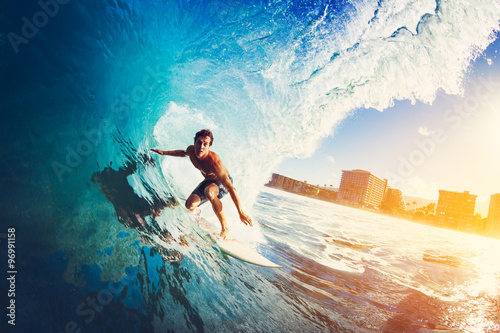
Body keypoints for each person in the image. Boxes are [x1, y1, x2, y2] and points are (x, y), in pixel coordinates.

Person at [151, 129, 252, 239]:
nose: (201, 147)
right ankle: (197, 210)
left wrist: (241, 212)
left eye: (205, 144)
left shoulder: (215, 161)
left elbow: (231, 188)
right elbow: (183, 153)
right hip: (208, 181)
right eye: (199, 142)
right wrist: (164, 153)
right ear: (194, 143)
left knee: (209, 192)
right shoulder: (191, 150)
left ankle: (225, 229)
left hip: (221, 182)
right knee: (189, 205)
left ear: (209, 146)